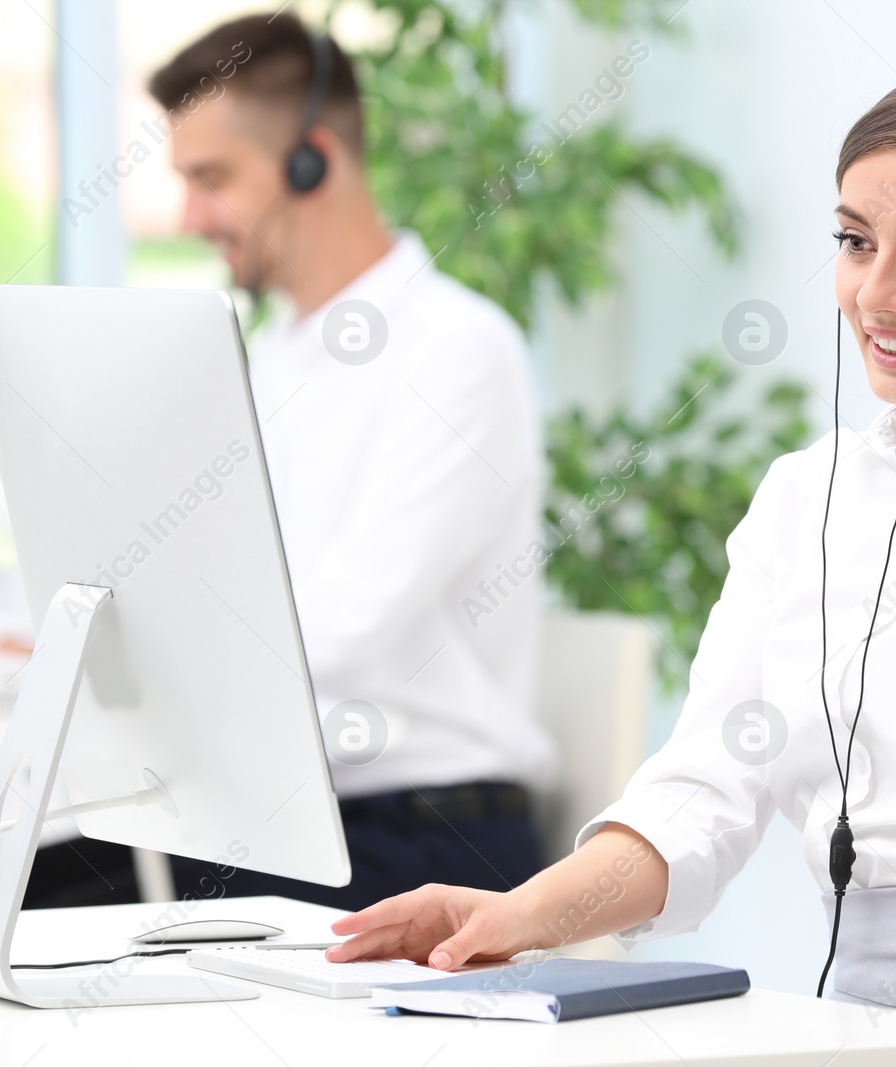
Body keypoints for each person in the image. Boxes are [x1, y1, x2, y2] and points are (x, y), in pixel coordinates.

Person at [325, 56, 896, 1067]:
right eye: (855, 242)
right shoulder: (808, 495)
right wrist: (519, 912)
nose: (874, 296)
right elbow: (706, 785)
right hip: (851, 1035)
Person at [147, 13, 555, 909]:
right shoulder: (268, 357)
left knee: (50, 920)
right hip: (276, 821)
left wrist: (144, 648)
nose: (188, 217)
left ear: (311, 161)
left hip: (422, 835)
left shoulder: (457, 349)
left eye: (210, 179)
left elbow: (344, 626)